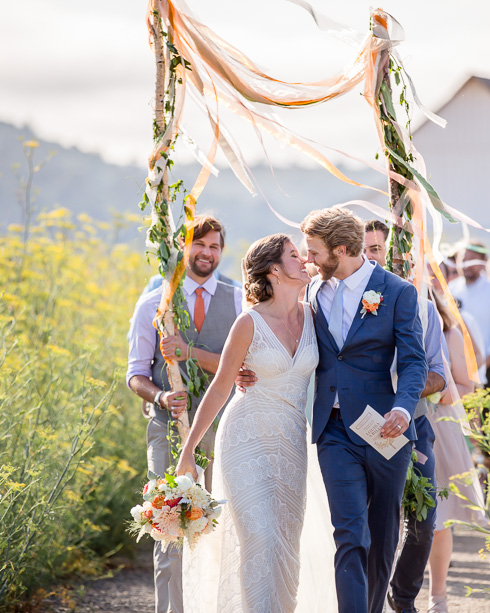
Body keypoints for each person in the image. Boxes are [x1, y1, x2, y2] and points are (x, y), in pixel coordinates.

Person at [239, 209, 427, 613]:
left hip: (386, 430)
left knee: (383, 534)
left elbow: (415, 362)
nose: (307, 259)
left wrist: (404, 409)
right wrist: (249, 366)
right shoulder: (311, 293)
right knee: (350, 533)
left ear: (340, 250)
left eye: (314, 252)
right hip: (333, 431)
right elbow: (280, 332)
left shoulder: (397, 292)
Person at [175, 233, 337, 612]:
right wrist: (189, 451)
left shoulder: (316, 316)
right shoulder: (249, 323)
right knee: (259, 537)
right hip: (245, 440)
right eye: (296, 255)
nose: (304, 261)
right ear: (275, 270)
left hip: (292, 443)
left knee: (286, 545)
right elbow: (218, 389)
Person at [125, 214, 242, 613]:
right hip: (166, 430)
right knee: (169, 528)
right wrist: (160, 398)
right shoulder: (153, 304)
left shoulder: (239, 299)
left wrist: (189, 352)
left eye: (214, 247)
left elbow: (238, 368)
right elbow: (135, 374)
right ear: (182, 247)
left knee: (219, 530)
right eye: (199, 244)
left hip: (224, 429)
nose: (207, 253)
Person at [364, 220, 446, 613]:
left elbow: (439, 375)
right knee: (375, 521)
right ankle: (369, 598)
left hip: (415, 423)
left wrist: (403, 393)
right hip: (364, 428)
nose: (370, 256)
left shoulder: (425, 308)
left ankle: (405, 595)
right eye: (365, 249)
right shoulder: (351, 309)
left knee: (423, 520)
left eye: (378, 249)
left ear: (395, 254)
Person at [425, 286, 486, 613]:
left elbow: (466, 385)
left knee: (438, 516)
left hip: (440, 427)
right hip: (396, 425)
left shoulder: (451, 334)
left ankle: (438, 595)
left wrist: (437, 389)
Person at [449, 242, 490, 493]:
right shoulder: (450, 290)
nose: (466, 264)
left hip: (488, 375)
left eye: (471, 259)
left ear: (482, 262)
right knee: (460, 434)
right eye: (461, 259)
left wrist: (478, 365)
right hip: (455, 376)